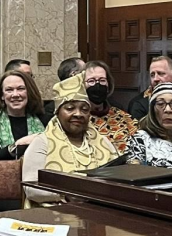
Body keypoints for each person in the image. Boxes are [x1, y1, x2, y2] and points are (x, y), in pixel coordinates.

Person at [22, 72, 118, 206]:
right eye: (70, 108)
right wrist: (66, 194)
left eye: (84, 109)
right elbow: (30, 188)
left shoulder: (103, 142)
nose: (78, 114)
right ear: (58, 113)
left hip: (100, 210)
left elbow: (119, 177)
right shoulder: (43, 142)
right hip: (54, 212)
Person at [0, 69, 46, 161]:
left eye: (20, 89)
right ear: (2, 95)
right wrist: (16, 146)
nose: (15, 94)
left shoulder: (45, 120)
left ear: (29, 92)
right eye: (9, 90)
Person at [82, 60, 138, 152]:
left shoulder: (123, 116)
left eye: (102, 80)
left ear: (108, 84)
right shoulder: (77, 119)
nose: (97, 85)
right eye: (91, 81)